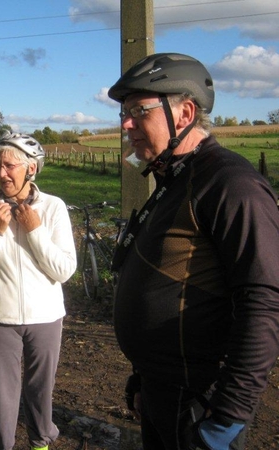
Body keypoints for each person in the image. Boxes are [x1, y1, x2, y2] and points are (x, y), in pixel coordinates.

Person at [107, 52, 279, 450]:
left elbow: (264, 303)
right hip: (159, 391)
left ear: (184, 113)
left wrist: (226, 418)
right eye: (123, 113)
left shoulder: (230, 185)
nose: (126, 124)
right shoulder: (173, 181)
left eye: (138, 110)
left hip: (200, 404)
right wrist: (141, 377)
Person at [0, 132, 77, 450]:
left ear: (31, 169)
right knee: (3, 398)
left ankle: (40, 444)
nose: (1, 173)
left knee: (41, 392)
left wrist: (35, 230)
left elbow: (64, 270)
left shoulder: (53, 208)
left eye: (9, 166)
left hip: (46, 317)